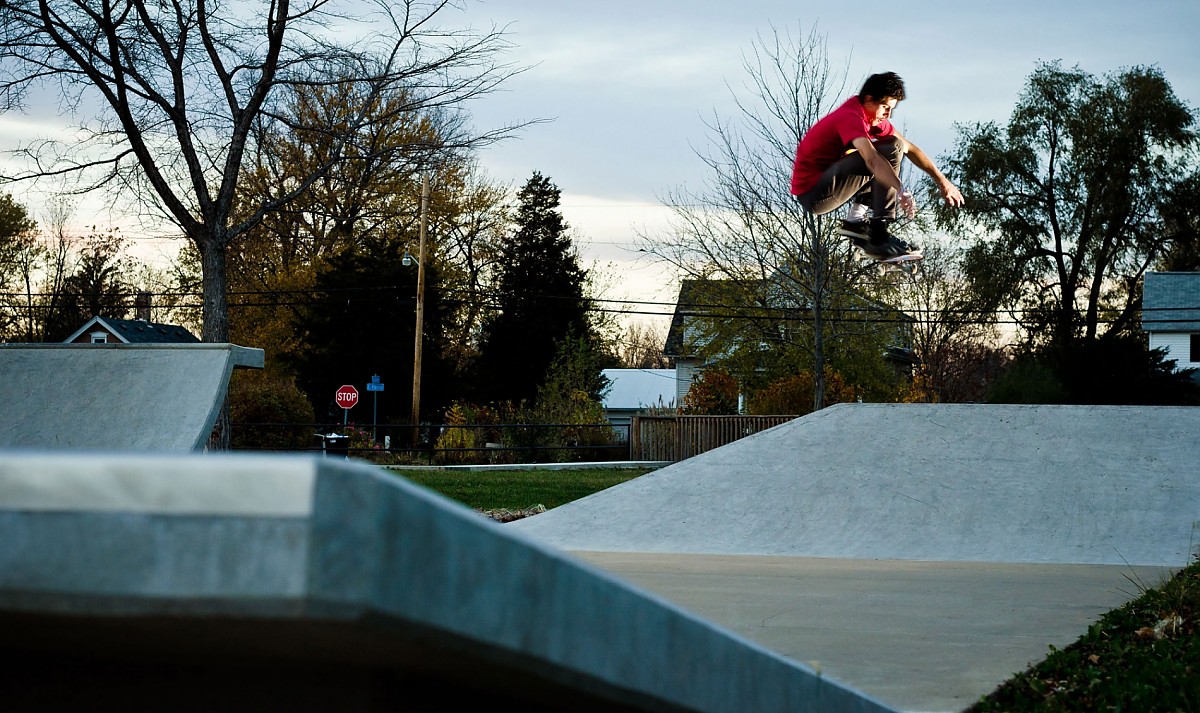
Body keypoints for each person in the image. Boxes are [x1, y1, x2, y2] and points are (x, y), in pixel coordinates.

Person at [790, 72, 964, 259]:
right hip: (816, 193)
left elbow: (910, 148)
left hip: (826, 186)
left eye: (891, 109)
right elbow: (872, 160)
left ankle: (855, 223)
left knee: (893, 145)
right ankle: (879, 234)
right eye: (885, 107)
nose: (888, 115)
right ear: (869, 99)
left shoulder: (871, 118)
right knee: (886, 151)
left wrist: (942, 181)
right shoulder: (850, 117)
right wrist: (900, 189)